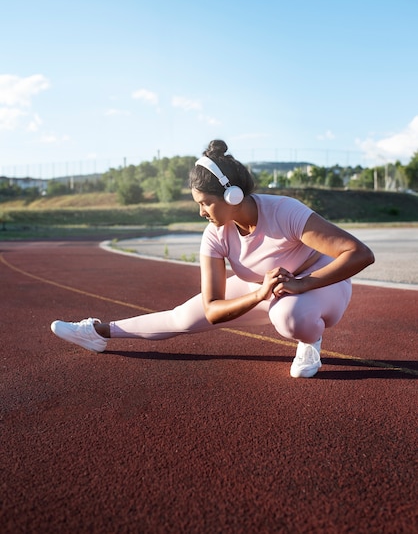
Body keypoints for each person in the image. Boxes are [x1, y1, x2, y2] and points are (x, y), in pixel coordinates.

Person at [51, 140, 374, 378]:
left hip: (321, 286)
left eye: (205, 203)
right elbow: (213, 310)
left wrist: (302, 285)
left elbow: (359, 253)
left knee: (291, 317)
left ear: (233, 195)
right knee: (183, 319)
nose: (201, 212)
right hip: (266, 288)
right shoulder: (216, 233)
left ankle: (309, 339)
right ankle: (96, 332)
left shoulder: (284, 211)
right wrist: (259, 294)